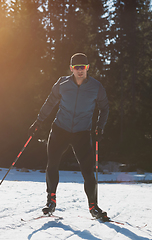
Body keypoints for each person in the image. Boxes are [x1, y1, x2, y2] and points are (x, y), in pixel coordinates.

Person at [28, 53, 109, 220]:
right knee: (52, 164)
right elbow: (50, 102)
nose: (80, 71)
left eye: (83, 67)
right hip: (60, 129)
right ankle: (51, 201)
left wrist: (99, 127)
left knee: (88, 171)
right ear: (71, 68)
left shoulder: (96, 87)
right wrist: (39, 121)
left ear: (88, 68)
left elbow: (104, 108)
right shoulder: (62, 84)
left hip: (82, 133)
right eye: (77, 67)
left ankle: (93, 206)